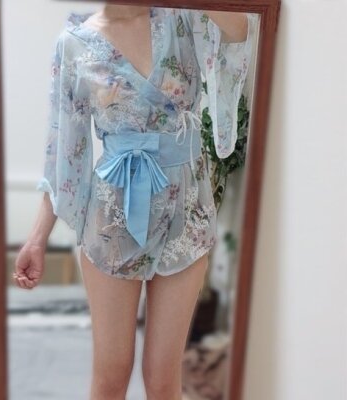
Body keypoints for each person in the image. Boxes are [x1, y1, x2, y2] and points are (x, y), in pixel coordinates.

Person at [13, 4, 255, 399]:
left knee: (163, 378)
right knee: (111, 376)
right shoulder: (74, 45)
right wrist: (38, 238)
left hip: (185, 214)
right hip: (112, 218)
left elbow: (240, 31)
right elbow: (64, 154)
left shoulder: (181, 18)